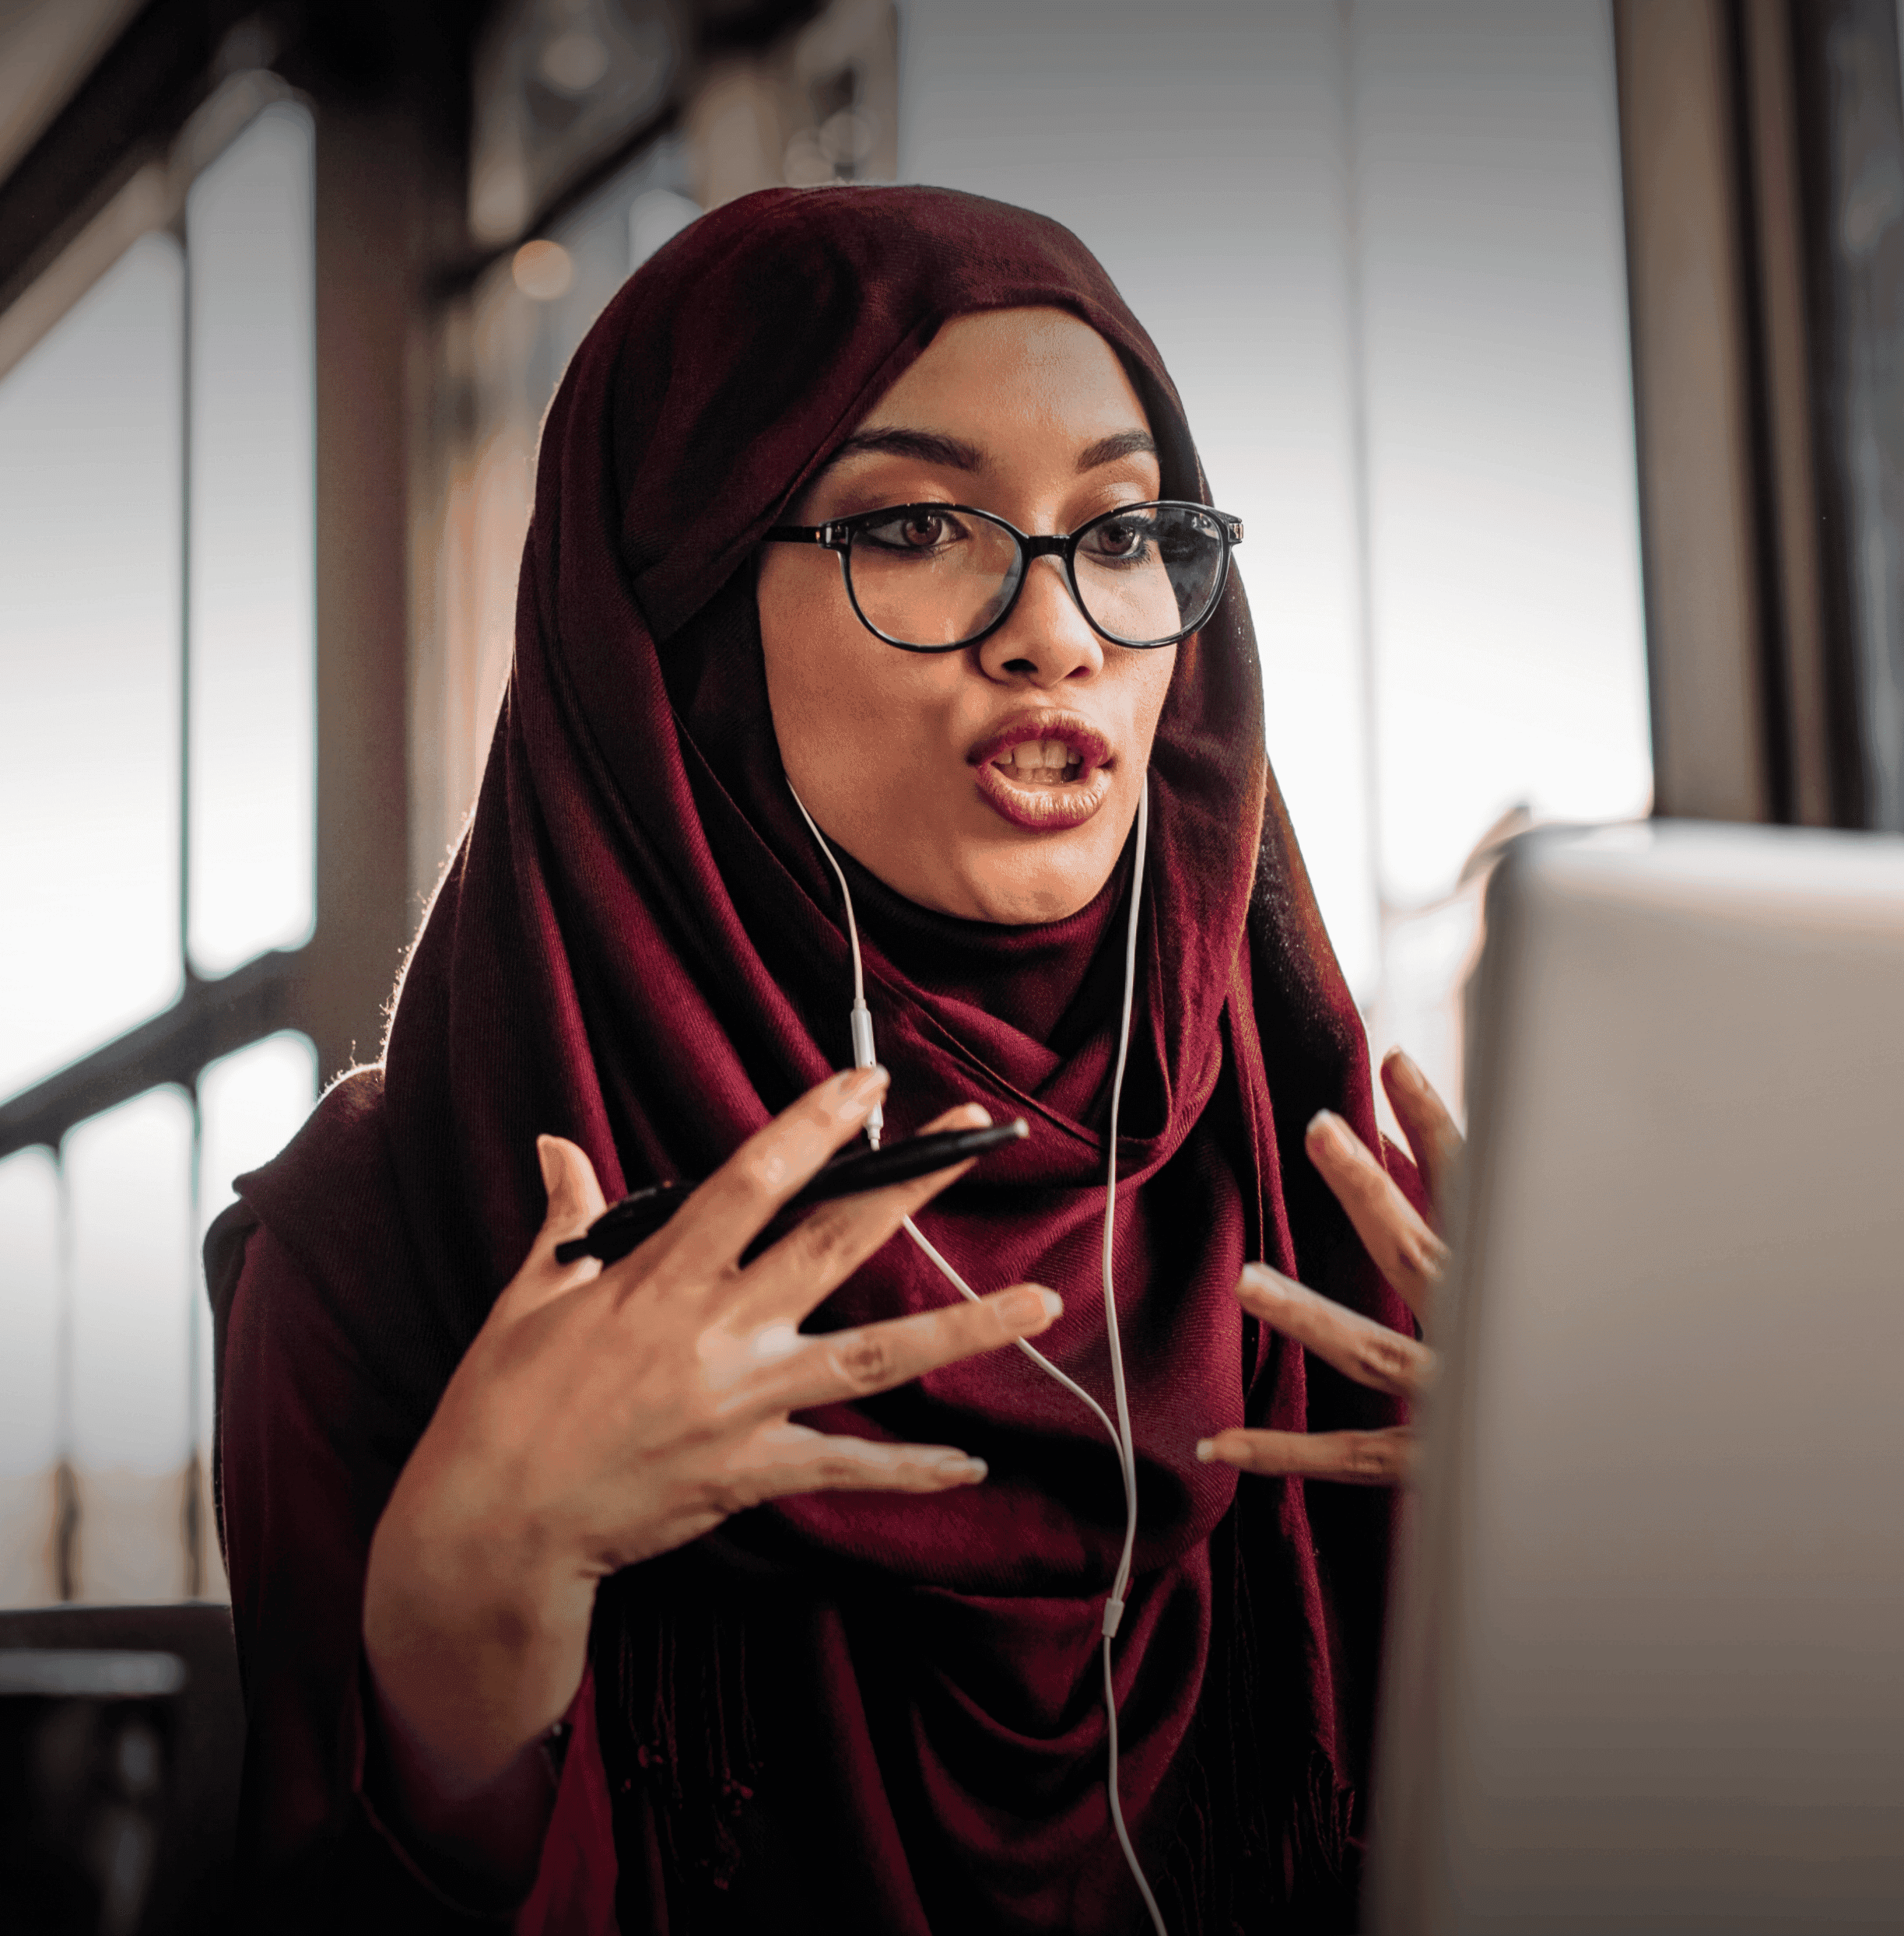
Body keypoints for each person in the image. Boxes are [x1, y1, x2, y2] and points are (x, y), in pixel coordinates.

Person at [210, 183, 1460, 1934]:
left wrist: (1607, 1559)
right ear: (678, 616)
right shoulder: (404, 1229)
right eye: (917, 526)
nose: (1060, 633)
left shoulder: (1328, 1214)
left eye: (1121, 530)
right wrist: (474, 1597)